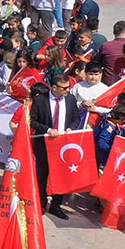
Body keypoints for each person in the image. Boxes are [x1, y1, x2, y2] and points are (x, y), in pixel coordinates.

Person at [32, 72, 81, 218]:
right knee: (42, 176)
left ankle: (56, 205)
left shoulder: (70, 99)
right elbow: (32, 121)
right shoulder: (40, 100)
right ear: (54, 88)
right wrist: (47, 130)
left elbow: (76, 118)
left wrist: (71, 128)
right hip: (45, 144)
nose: (67, 90)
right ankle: (40, 204)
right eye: (64, 88)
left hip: (63, 145)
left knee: (62, 176)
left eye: (68, 87)